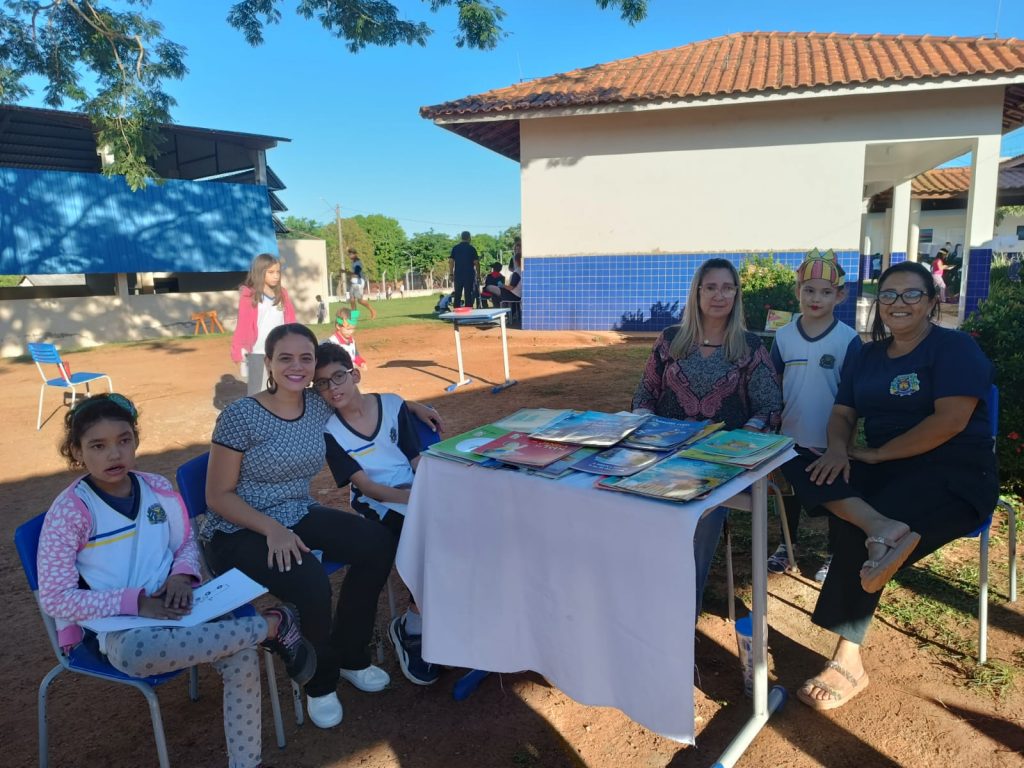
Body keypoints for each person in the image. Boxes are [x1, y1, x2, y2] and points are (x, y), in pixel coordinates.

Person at [37, 393, 315, 768]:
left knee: (242, 655)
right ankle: (270, 625)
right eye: (97, 446)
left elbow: (183, 540)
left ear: (135, 439)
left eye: (123, 441)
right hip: (124, 626)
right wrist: (136, 603)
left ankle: (245, 763)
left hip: (181, 604)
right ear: (77, 451)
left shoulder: (157, 488)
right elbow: (55, 598)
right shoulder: (71, 511)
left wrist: (182, 576)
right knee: (138, 656)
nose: (114, 455)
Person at [203, 324, 443, 729]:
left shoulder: (315, 404)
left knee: (376, 542)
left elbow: (359, 396)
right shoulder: (240, 416)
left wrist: (413, 407)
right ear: (270, 363)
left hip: (297, 511)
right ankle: (320, 682)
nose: (296, 366)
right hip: (238, 528)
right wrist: (271, 530)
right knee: (311, 580)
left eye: (305, 358)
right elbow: (217, 496)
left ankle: (351, 655)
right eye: (286, 358)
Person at [789, 261, 997, 711]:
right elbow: (843, 413)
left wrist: (878, 454)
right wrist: (839, 450)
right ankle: (881, 526)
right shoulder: (865, 354)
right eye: (888, 295)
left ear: (930, 302)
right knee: (795, 461)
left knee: (854, 526)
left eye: (910, 295)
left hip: (956, 471)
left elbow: (952, 420)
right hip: (885, 468)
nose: (897, 304)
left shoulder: (954, 348)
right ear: (877, 303)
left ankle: (849, 660)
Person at [632, 258, 782, 613]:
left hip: (720, 464)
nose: (720, 295)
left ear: (736, 294)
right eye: (711, 287)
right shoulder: (670, 340)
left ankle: (685, 606)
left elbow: (770, 407)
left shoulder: (749, 346)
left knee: (703, 510)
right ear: (697, 292)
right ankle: (643, 592)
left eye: (728, 287)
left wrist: (737, 442)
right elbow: (644, 394)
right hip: (664, 453)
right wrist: (648, 429)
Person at [314, 343, 440, 686]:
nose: (333, 388)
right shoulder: (329, 431)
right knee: (421, 536)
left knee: (458, 525)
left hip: (415, 490)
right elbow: (366, 487)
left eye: (338, 377)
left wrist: (427, 491)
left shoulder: (393, 405)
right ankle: (413, 626)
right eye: (322, 384)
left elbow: (416, 459)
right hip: (379, 503)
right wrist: (412, 500)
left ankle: (446, 616)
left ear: (355, 374)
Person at [768, 250, 861, 581]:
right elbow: (775, 384)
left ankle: (833, 554)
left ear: (840, 294)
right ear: (797, 292)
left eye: (825, 292)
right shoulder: (784, 336)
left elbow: (852, 397)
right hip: (789, 437)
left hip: (830, 441)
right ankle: (786, 547)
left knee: (834, 497)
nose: (816, 298)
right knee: (789, 496)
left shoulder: (848, 339)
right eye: (809, 290)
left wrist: (843, 444)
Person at [231, 253, 295, 397]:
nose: (276, 276)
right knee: (258, 391)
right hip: (257, 351)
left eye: (278, 272)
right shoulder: (249, 296)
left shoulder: (282, 294)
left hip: (280, 350)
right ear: (260, 272)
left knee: (281, 387)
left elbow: (290, 321)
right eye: (271, 272)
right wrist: (238, 349)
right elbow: (243, 325)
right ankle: (256, 417)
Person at [449, 231, 479, 308]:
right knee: (468, 294)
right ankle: (468, 314)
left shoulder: (455, 248)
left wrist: (451, 274)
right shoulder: (472, 249)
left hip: (458, 274)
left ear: (461, 237)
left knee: (457, 295)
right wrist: (478, 275)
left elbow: (451, 261)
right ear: (469, 238)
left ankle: (456, 315)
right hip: (469, 274)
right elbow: (476, 263)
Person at [347, 248, 377, 320]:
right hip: (354, 282)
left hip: (359, 282)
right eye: (349, 254)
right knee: (352, 300)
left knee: (359, 300)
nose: (350, 255)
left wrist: (346, 272)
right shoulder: (353, 262)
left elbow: (356, 273)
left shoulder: (358, 262)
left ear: (355, 254)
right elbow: (353, 274)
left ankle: (372, 310)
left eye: (351, 254)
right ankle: (354, 317)